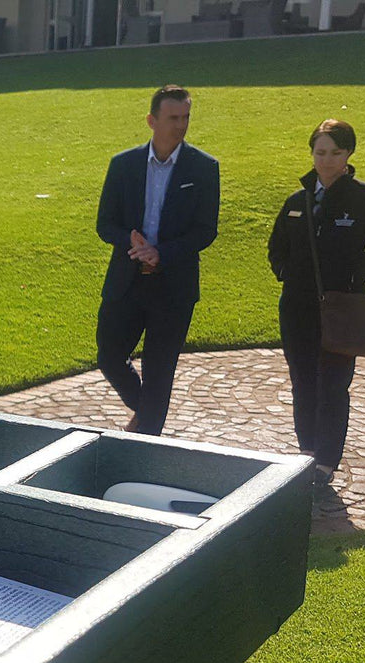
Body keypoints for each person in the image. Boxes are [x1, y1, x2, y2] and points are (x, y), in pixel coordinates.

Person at [266, 119, 365, 485]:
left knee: (334, 383)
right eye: (320, 152)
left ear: (348, 154)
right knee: (302, 380)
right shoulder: (297, 201)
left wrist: (356, 277)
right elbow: (276, 247)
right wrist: (285, 273)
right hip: (297, 306)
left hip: (341, 307)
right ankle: (306, 450)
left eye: (335, 153)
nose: (326, 161)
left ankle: (326, 459)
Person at [95, 85, 221, 435]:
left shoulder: (204, 168)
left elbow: (205, 231)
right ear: (152, 120)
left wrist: (161, 252)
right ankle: (147, 412)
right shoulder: (123, 165)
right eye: (172, 118)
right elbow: (105, 223)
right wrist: (129, 240)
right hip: (127, 280)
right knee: (108, 356)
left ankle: (147, 439)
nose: (180, 126)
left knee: (159, 369)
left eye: (185, 118)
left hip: (174, 285)